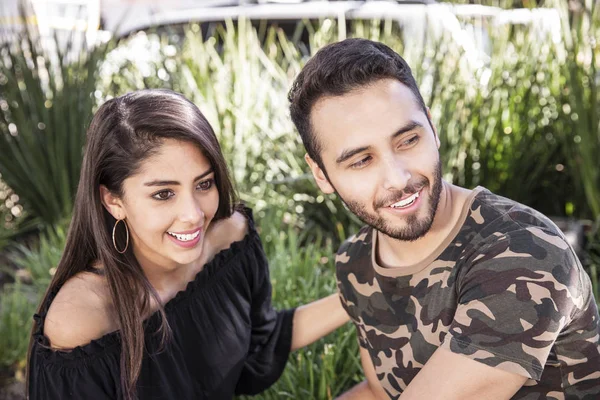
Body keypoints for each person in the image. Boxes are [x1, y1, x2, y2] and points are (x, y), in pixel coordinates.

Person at [288, 38, 600, 399]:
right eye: (361, 160)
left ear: (432, 128)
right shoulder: (356, 261)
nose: (399, 178)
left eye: (407, 140)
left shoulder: (522, 251)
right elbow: (378, 392)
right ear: (321, 175)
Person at [27, 89, 349, 400]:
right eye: (163, 194)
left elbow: (261, 344)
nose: (194, 215)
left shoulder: (230, 242)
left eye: (204, 184)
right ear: (113, 200)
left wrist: (364, 293)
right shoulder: (81, 319)